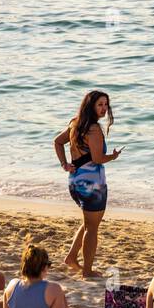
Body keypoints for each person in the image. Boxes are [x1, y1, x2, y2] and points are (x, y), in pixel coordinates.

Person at [54, 89, 122, 278]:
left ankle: (71, 258)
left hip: (75, 183)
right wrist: (114, 156)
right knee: (92, 228)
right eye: (100, 104)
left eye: (106, 105)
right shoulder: (94, 129)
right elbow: (98, 159)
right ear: (90, 105)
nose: (104, 109)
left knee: (88, 223)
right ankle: (87, 271)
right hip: (92, 185)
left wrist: (65, 164)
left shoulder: (75, 124)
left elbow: (57, 142)